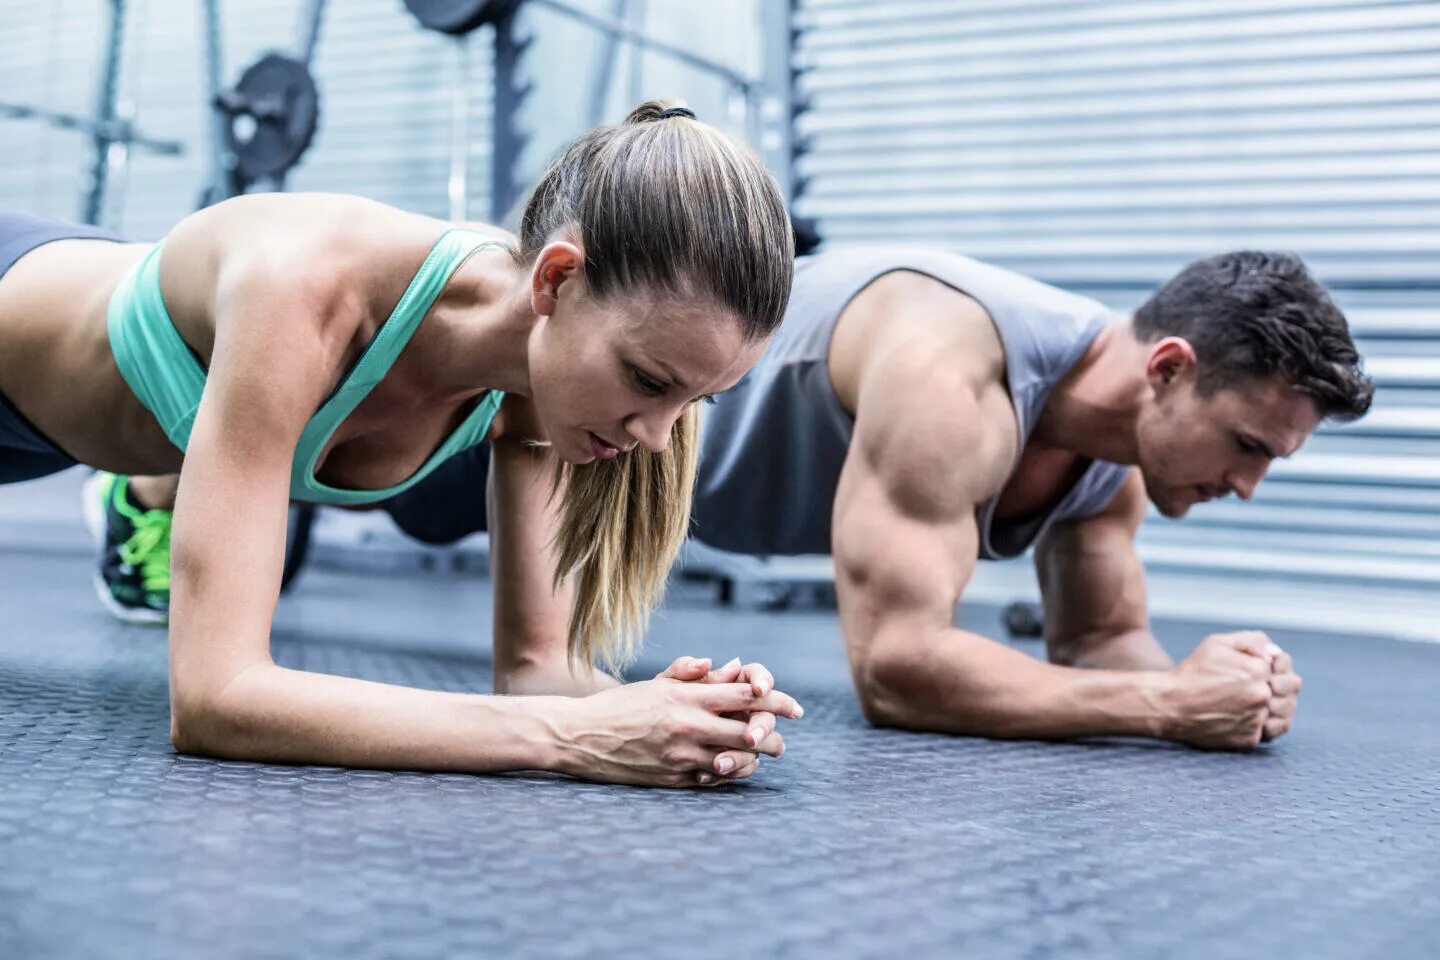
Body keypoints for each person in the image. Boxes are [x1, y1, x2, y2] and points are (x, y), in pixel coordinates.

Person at [0, 101, 803, 787]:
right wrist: (572, 737)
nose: (658, 440)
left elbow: (536, 672)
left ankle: (149, 486)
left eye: (698, 400)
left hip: (73, 423)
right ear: (556, 280)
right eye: (649, 381)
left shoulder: (539, 392)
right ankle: (146, 496)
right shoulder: (304, 288)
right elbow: (217, 698)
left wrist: (675, 712)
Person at [365, 247, 1373, 751]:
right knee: (384, 468)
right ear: (1167, 367)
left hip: (658, 492)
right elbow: (896, 669)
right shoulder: (954, 369)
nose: (1246, 486)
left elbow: (1104, 643)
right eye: (1248, 446)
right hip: (578, 431)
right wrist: (1163, 703)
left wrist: (1218, 689)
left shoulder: (1120, 461)